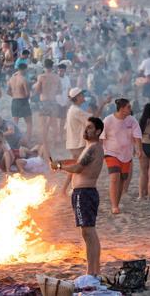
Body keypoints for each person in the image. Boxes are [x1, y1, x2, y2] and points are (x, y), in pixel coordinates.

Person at [50, 116, 104, 276]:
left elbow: (79, 167)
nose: (86, 130)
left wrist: (59, 166)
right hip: (84, 193)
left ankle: (92, 272)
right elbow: (77, 161)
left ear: (98, 131)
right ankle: (93, 271)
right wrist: (61, 161)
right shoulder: (91, 147)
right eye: (85, 127)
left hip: (85, 193)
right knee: (88, 233)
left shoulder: (94, 147)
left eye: (89, 128)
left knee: (89, 233)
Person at [101, 98, 141, 214]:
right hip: (111, 152)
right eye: (128, 107)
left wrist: (139, 149)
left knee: (122, 180)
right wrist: (98, 152)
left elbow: (137, 135)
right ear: (122, 109)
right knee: (114, 177)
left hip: (126, 154)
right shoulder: (108, 120)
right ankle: (114, 206)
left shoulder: (132, 120)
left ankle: (116, 203)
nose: (130, 109)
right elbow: (101, 137)